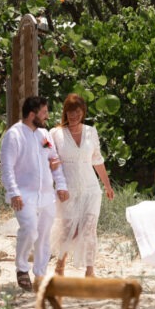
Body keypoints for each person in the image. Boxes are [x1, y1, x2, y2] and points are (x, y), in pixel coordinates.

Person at [1, 96, 69, 292]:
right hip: (23, 195)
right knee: (30, 229)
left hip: (47, 196)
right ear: (32, 114)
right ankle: (22, 268)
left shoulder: (44, 135)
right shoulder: (13, 135)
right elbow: (7, 167)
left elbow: (54, 160)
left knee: (44, 236)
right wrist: (13, 192)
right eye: (44, 112)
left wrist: (61, 185)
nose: (47, 116)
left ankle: (40, 275)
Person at [49, 93, 114, 277]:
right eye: (70, 112)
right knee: (69, 229)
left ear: (83, 112)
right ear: (65, 113)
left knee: (89, 228)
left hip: (91, 189)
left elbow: (97, 160)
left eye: (77, 112)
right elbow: (49, 161)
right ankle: (60, 264)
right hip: (67, 189)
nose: (74, 115)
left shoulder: (91, 132)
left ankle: (90, 270)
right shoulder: (56, 134)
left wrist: (107, 185)